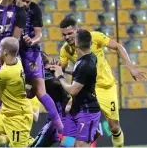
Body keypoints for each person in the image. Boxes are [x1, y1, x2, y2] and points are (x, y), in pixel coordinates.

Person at [58, 16, 146, 147]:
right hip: (85, 90)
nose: (67, 37)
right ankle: (87, 135)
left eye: (70, 33)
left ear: (77, 31)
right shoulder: (65, 49)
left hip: (105, 87)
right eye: (64, 35)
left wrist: (131, 68)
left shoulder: (94, 37)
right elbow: (62, 68)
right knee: (71, 121)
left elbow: (118, 47)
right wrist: (55, 68)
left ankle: (99, 136)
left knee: (114, 127)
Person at [18, 0, 63, 135]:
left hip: (65, 117)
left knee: (65, 139)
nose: (26, 4)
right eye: (23, 0)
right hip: (57, 118)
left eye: (28, 2)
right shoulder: (52, 76)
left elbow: (38, 34)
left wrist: (33, 41)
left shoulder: (52, 79)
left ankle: (67, 134)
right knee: (65, 140)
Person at [48, 29, 101, 147]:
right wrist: (61, 69)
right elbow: (79, 75)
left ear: (76, 44)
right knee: (66, 145)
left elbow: (73, 90)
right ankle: (93, 132)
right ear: (90, 43)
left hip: (87, 112)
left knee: (80, 146)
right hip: (75, 110)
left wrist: (60, 76)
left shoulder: (86, 65)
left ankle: (92, 131)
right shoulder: (88, 57)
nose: (69, 38)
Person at [30, 51, 70, 147]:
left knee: (66, 144)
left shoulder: (45, 75)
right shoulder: (50, 72)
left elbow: (31, 92)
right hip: (55, 115)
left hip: (61, 114)